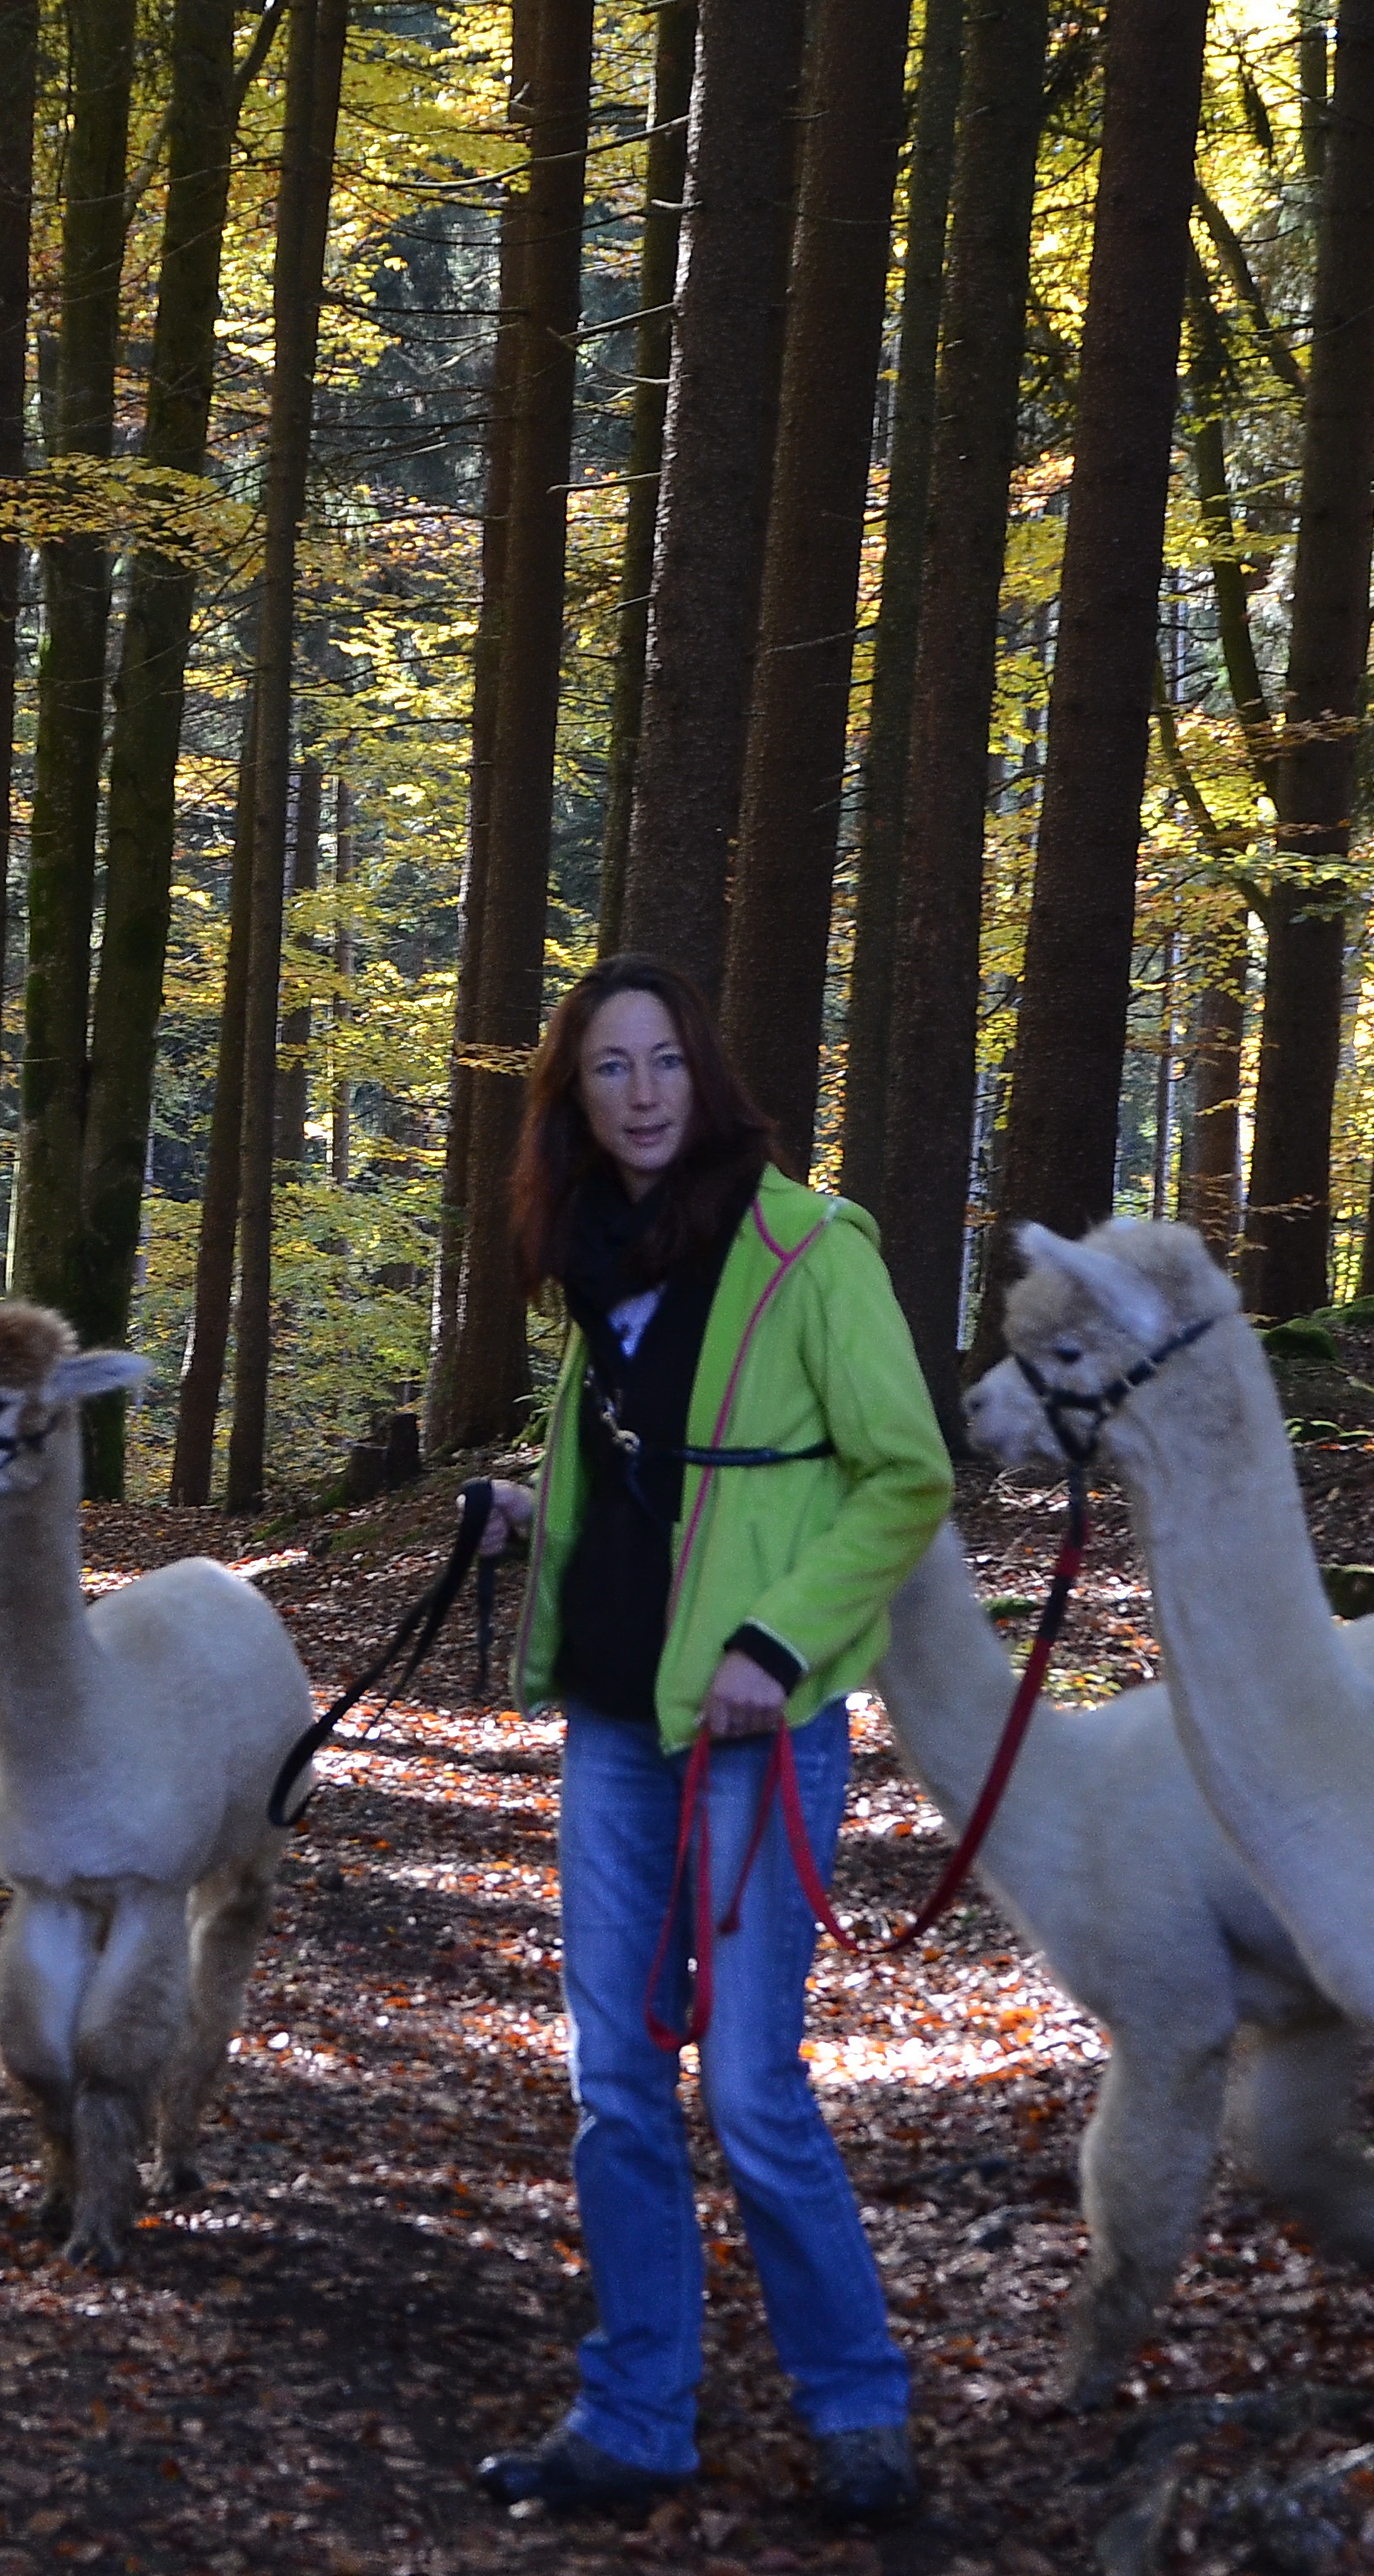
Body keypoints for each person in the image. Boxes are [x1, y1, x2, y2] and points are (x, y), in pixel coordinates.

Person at [468, 954, 952, 2527]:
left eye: (664, 1061)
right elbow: (672, 1482)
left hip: (760, 1729)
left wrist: (778, 1638)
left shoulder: (811, 1249)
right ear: (575, 1101)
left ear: (708, 1074)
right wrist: (534, 1520)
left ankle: (861, 2411)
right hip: (618, 1722)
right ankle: (636, 2418)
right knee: (617, 2086)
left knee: (749, 2093)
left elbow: (899, 1476)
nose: (642, 1094)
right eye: (609, 1070)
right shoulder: (595, 1260)